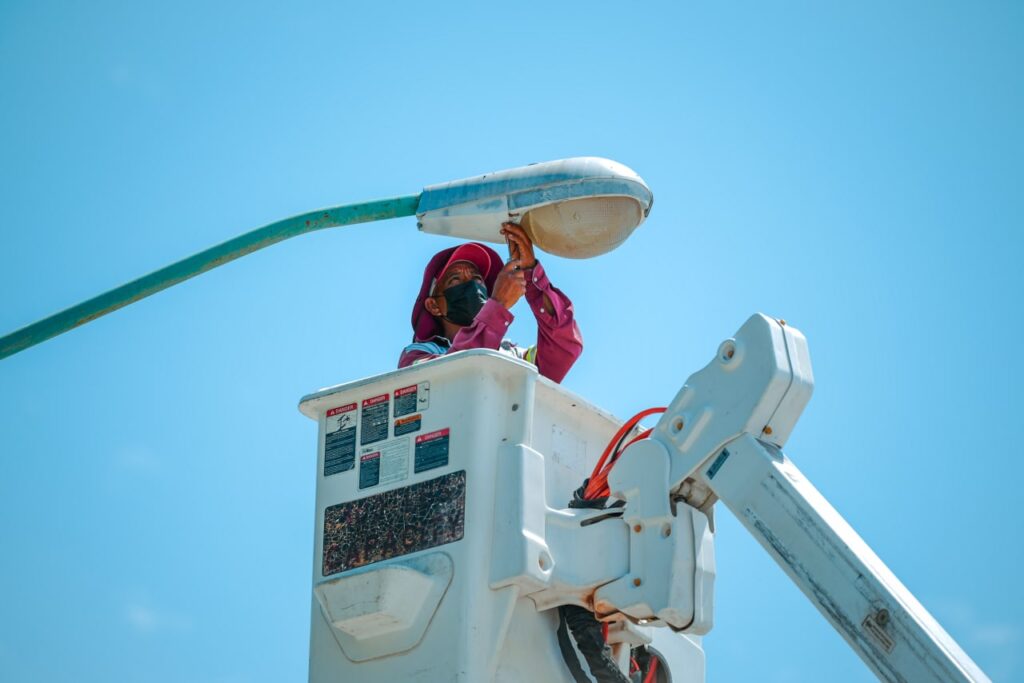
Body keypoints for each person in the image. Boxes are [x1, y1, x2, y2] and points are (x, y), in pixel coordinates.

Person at [399, 222, 582, 383]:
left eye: (477, 279)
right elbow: (455, 378)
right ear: (434, 305)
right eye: (455, 280)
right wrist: (498, 305)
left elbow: (564, 346)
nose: (471, 285)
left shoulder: (515, 357)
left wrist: (531, 275)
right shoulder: (416, 356)